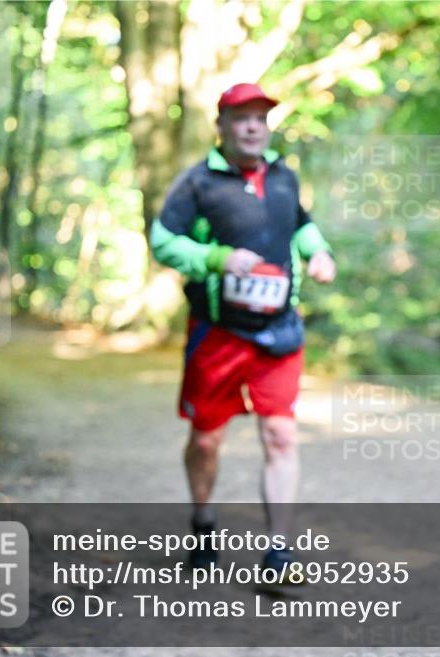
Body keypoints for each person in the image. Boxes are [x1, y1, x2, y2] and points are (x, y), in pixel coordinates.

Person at [150, 82, 335, 579]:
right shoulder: (197, 184)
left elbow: (301, 225)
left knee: (280, 435)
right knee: (207, 440)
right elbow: (163, 240)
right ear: (222, 126)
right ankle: (204, 526)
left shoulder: (283, 177)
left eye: (261, 117)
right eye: (242, 117)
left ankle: (278, 553)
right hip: (219, 335)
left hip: (279, 333)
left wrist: (319, 251)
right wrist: (215, 258)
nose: (253, 126)